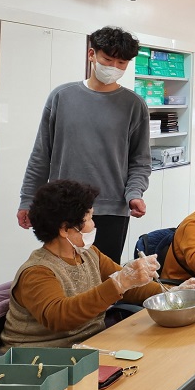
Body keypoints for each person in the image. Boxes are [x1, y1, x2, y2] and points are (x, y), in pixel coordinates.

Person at [1, 180, 195, 350]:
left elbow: (131, 285)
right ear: (64, 229)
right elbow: (60, 317)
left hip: (91, 345)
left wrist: (172, 293)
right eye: (89, 218)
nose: (93, 224)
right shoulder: (37, 271)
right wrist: (118, 283)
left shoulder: (89, 254)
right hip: (43, 359)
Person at [17, 26, 151, 264]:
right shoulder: (61, 96)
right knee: (62, 274)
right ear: (92, 54)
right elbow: (41, 155)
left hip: (111, 209)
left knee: (105, 278)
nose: (114, 67)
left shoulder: (134, 105)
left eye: (121, 63)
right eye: (107, 59)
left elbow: (140, 161)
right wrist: (28, 199)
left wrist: (134, 194)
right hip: (62, 208)